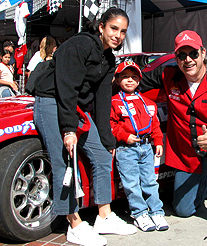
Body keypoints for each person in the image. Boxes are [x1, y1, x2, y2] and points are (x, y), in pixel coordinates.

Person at [33, 7, 137, 246]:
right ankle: (74, 223)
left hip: (74, 107)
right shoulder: (80, 44)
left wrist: (107, 138)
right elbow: (66, 87)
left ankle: (104, 216)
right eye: (113, 29)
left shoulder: (109, 59)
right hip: (51, 99)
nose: (118, 35)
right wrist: (69, 130)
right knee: (64, 158)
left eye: (123, 31)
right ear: (101, 27)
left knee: (102, 155)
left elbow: (102, 101)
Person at [140, 30, 207, 233]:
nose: (188, 60)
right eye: (182, 55)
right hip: (188, 153)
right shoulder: (168, 75)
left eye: (193, 53)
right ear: (176, 58)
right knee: (183, 210)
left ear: (203, 52)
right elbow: (134, 79)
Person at [110, 61, 169, 232]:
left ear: (139, 80)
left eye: (134, 77)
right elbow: (111, 125)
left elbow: (155, 124)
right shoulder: (114, 102)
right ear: (118, 80)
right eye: (125, 77)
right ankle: (139, 213)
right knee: (132, 184)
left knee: (150, 181)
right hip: (126, 149)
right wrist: (124, 136)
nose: (130, 80)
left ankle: (156, 211)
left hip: (146, 148)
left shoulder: (149, 103)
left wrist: (158, 142)